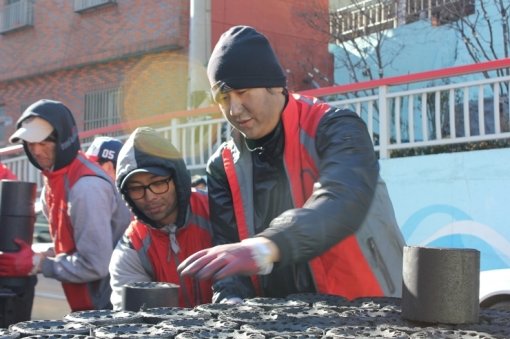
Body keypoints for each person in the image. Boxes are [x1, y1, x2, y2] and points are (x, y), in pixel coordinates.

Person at [178, 26, 406, 303]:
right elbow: (228, 253)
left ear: (275, 85)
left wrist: (266, 247)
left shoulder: (336, 126)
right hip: (286, 320)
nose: (234, 109)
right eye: (223, 99)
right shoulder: (221, 165)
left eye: (243, 91)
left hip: (372, 305)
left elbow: (342, 199)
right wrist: (230, 299)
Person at [0, 99, 131, 311]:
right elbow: (71, 246)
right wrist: (38, 256)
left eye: (43, 142)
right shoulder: (55, 180)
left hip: (110, 307)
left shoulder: (86, 187)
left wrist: (38, 264)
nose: (36, 151)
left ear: (63, 140)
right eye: (30, 143)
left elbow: (94, 264)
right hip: (90, 304)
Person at [109, 127, 213, 310]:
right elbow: (132, 321)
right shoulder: (133, 245)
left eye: (158, 183)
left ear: (177, 178)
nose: (149, 197)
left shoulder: (216, 211)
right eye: (136, 188)